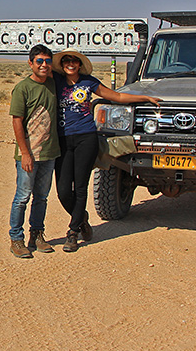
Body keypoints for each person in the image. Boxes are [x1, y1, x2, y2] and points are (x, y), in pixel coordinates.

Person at [52, 48, 161, 252]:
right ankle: (81, 217)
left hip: (86, 138)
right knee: (63, 190)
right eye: (66, 60)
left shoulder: (89, 82)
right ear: (62, 64)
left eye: (74, 61)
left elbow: (117, 97)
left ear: (79, 65)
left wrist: (145, 98)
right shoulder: (56, 81)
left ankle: (73, 232)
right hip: (63, 140)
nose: (70, 64)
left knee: (81, 186)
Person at [8, 44, 61, 259]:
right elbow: (17, 121)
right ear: (30, 63)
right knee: (22, 197)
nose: (44, 65)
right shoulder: (23, 88)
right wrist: (25, 153)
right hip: (29, 154)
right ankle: (16, 238)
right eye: (39, 61)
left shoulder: (53, 84)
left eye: (48, 61)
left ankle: (37, 235)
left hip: (49, 153)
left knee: (42, 197)